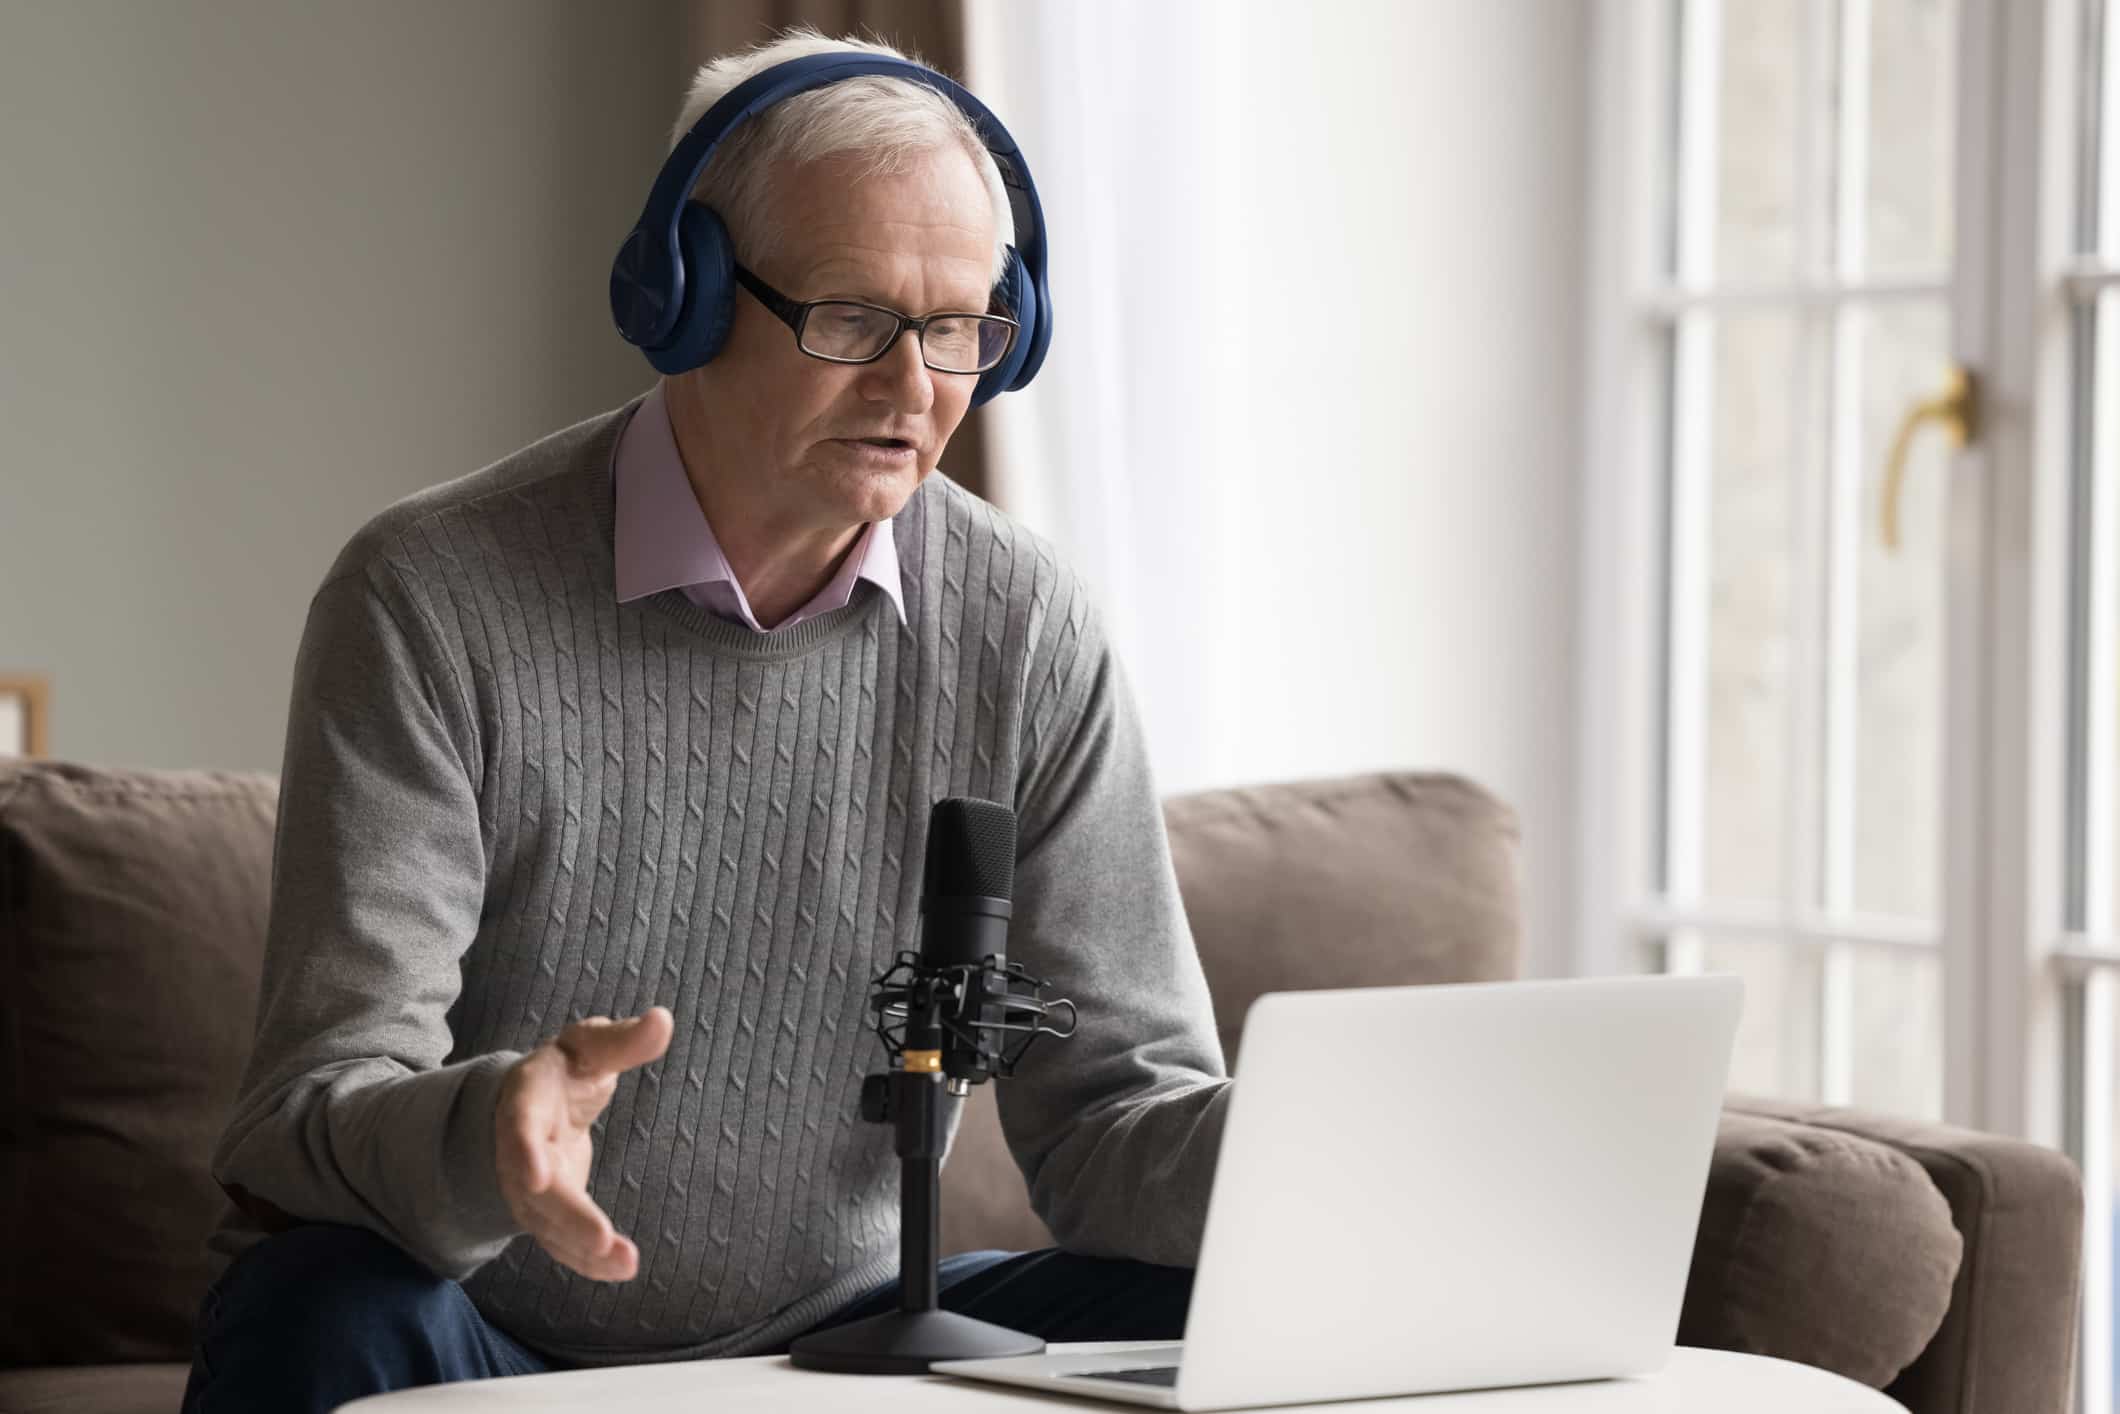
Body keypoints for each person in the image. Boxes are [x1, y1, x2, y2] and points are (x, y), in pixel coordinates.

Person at [179, 28, 1230, 1413]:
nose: (915, 390)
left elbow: (1112, 1125)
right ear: (686, 294)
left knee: (1232, 1306)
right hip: (487, 1322)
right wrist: (488, 1131)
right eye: (852, 318)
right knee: (316, 1306)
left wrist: (1326, 1162)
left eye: (961, 329)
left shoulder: (1028, 625)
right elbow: (307, 1109)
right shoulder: (430, 598)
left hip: (856, 1329)